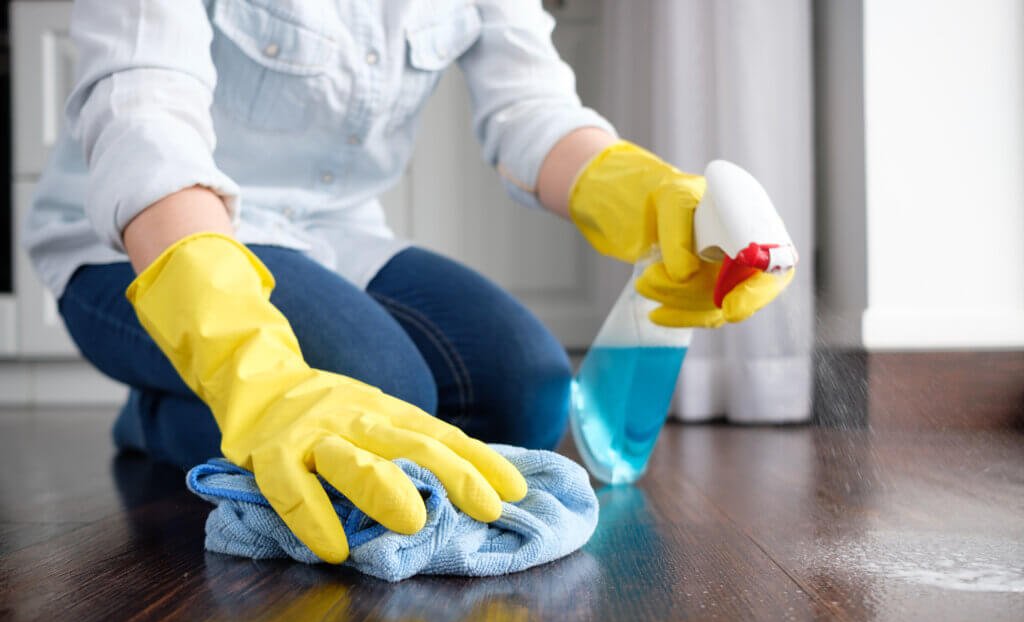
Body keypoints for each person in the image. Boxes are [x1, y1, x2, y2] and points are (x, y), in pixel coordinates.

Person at [25, 0, 791, 563]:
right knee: (381, 387)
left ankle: (179, 396)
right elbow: (145, 122)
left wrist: (654, 195)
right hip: (144, 241)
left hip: (336, 236)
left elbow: (533, 111)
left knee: (526, 391)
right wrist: (255, 371)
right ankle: (178, 411)